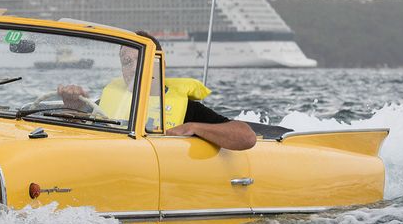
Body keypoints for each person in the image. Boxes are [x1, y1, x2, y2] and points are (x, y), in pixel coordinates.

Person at [57, 31, 256, 151]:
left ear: (159, 65)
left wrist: (194, 127)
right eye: (127, 62)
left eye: (141, 60)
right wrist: (74, 109)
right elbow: (73, 136)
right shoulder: (108, 103)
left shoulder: (188, 109)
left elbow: (246, 137)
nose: (134, 67)